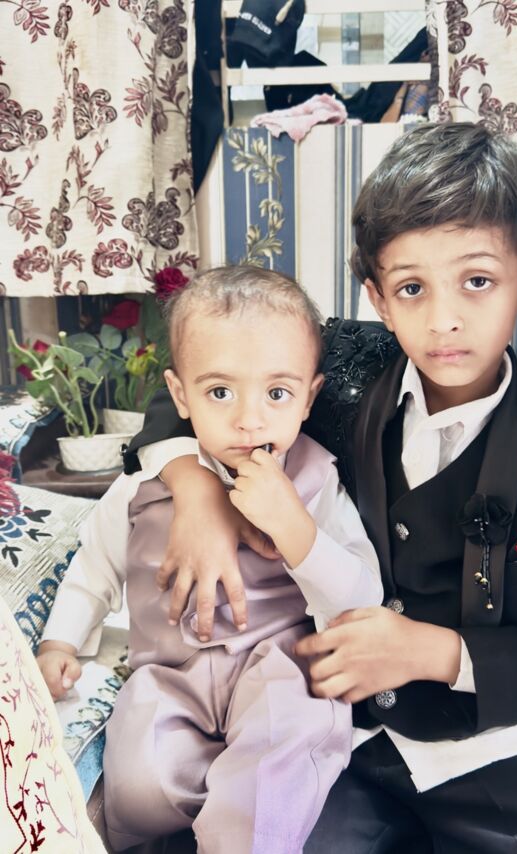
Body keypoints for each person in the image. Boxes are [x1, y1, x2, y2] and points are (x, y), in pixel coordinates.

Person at [124, 123, 517, 852]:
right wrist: (196, 493)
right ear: (380, 299)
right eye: (412, 288)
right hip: (338, 724)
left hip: (494, 739)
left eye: (478, 281)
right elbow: (181, 385)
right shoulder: (335, 368)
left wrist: (433, 652)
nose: (444, 319)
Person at [36, 266, 383, 854]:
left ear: (309, 397)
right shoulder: (143, 484)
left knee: (288, 736)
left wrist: (297, 532)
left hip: (280, 660)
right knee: (141, 781)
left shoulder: (317, 479)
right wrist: (59, 643)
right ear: (181, 396)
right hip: (170, 669)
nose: (249, 420)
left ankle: (249, 834)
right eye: (220, 392)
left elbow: (361, 595)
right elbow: (94, 566)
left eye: (277, 393)